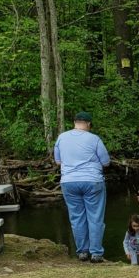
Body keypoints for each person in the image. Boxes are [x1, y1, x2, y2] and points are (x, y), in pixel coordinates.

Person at [53, 111, 110, 263]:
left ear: (74, 122)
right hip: (92, 181)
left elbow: (58, 161)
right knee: (95, 217)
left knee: (77, 218)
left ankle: (82, 252)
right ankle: (96, 253)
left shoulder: (61, 137)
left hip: (68, 182)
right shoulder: (94, 139)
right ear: (89, 124)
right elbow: (106, 162)